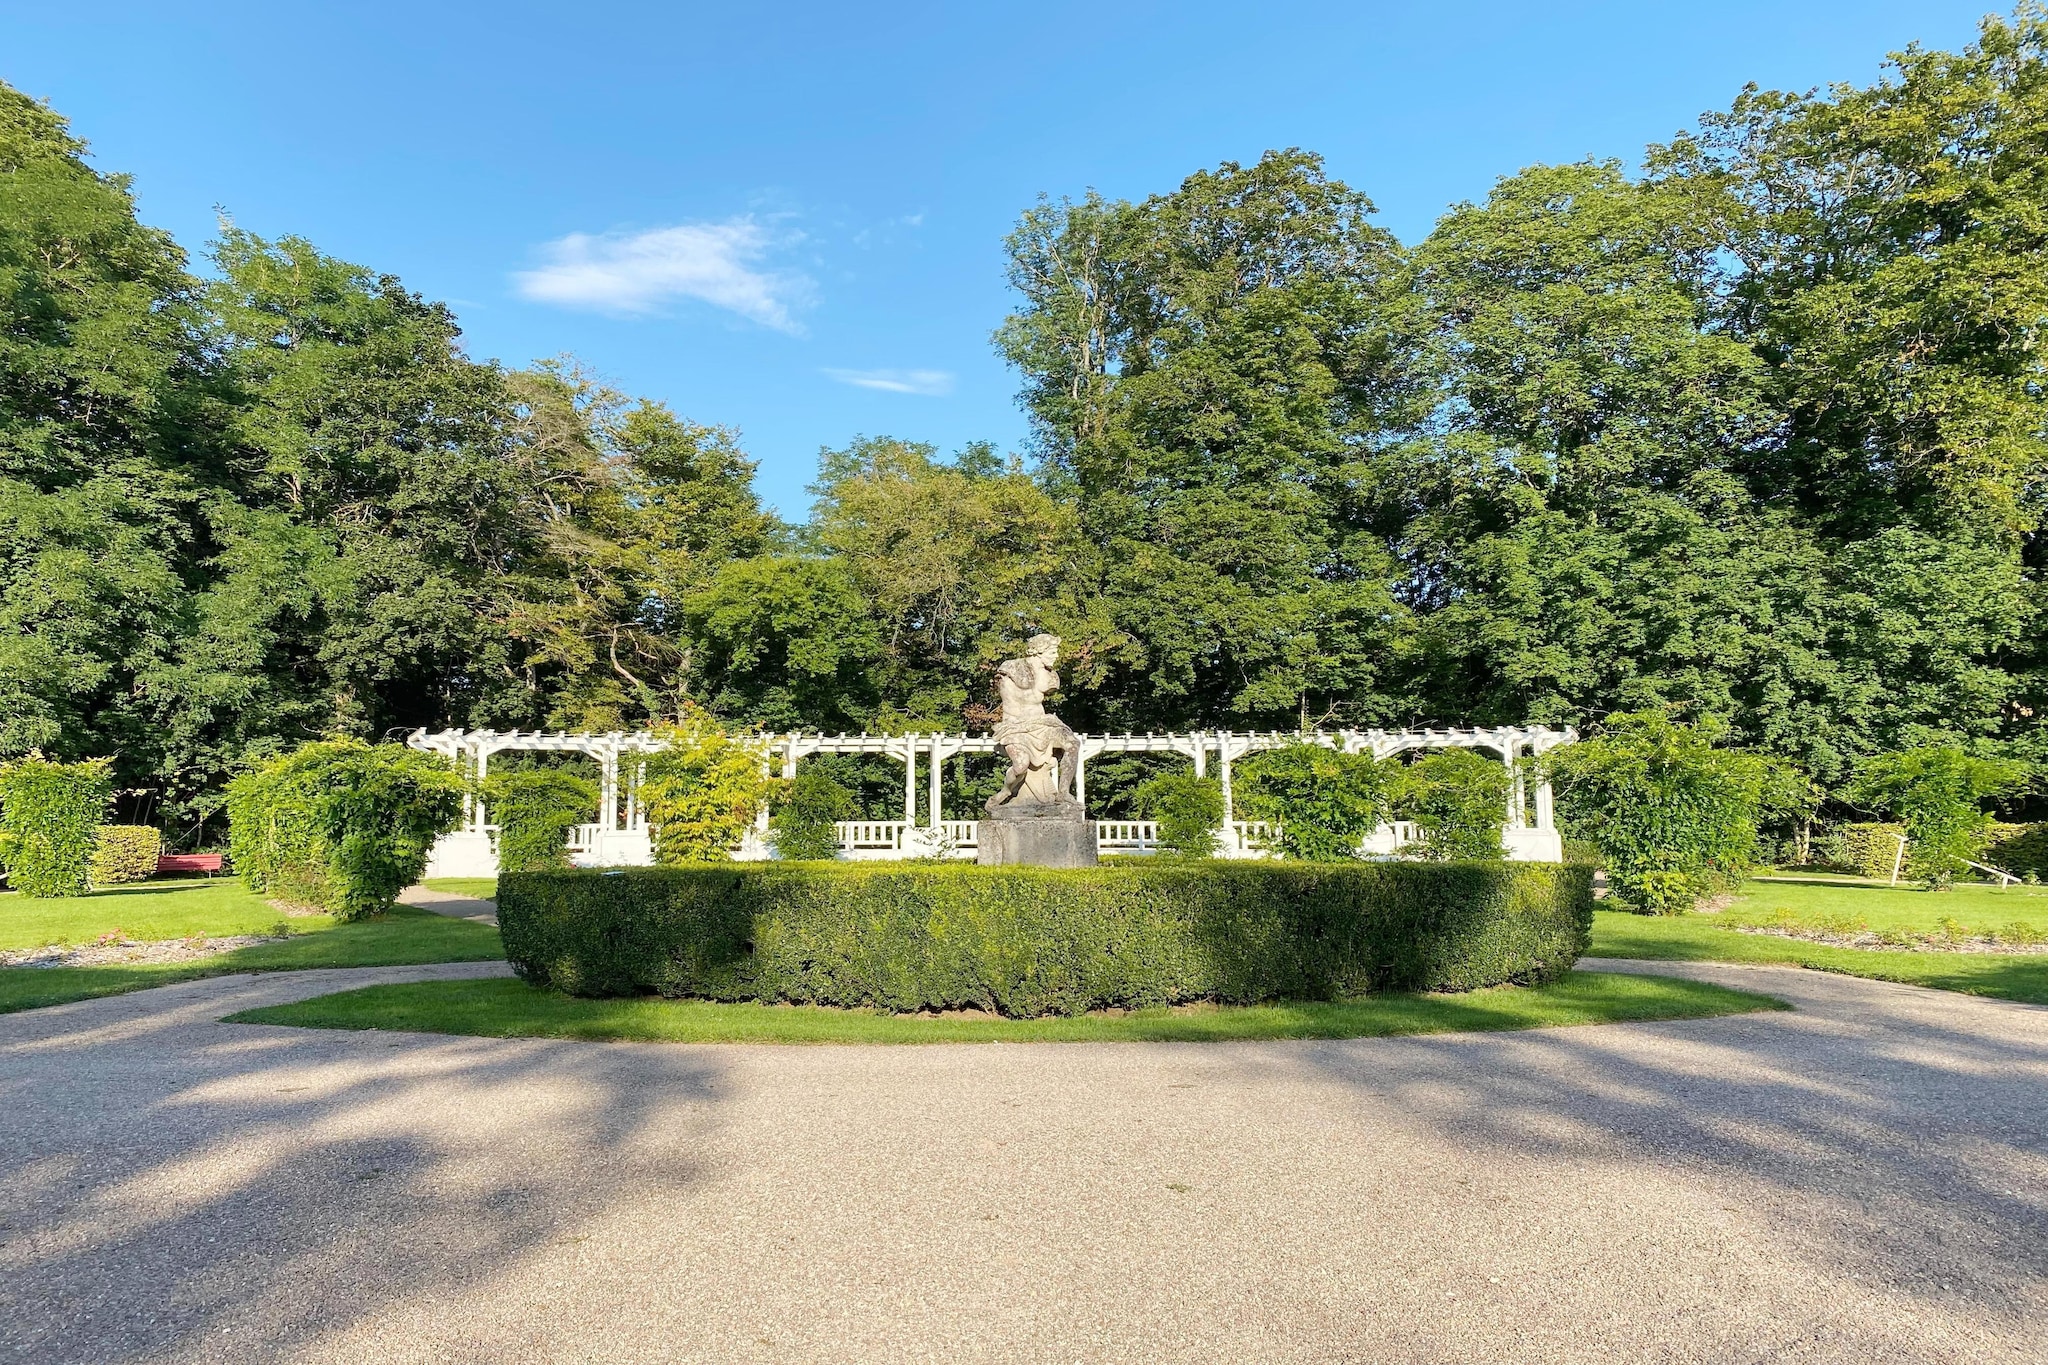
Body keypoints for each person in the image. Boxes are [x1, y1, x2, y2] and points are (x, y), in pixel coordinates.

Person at [986, 634, 1081, 810]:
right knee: (1021, 765)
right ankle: (1005, 791)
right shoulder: (1013, 668)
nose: (1056, 656)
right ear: (1038, 651)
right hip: (1015, 726)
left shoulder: (1050, 676)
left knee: (1072, 744)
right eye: (1052, 652)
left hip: (1042, 723)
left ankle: (1063, 792)